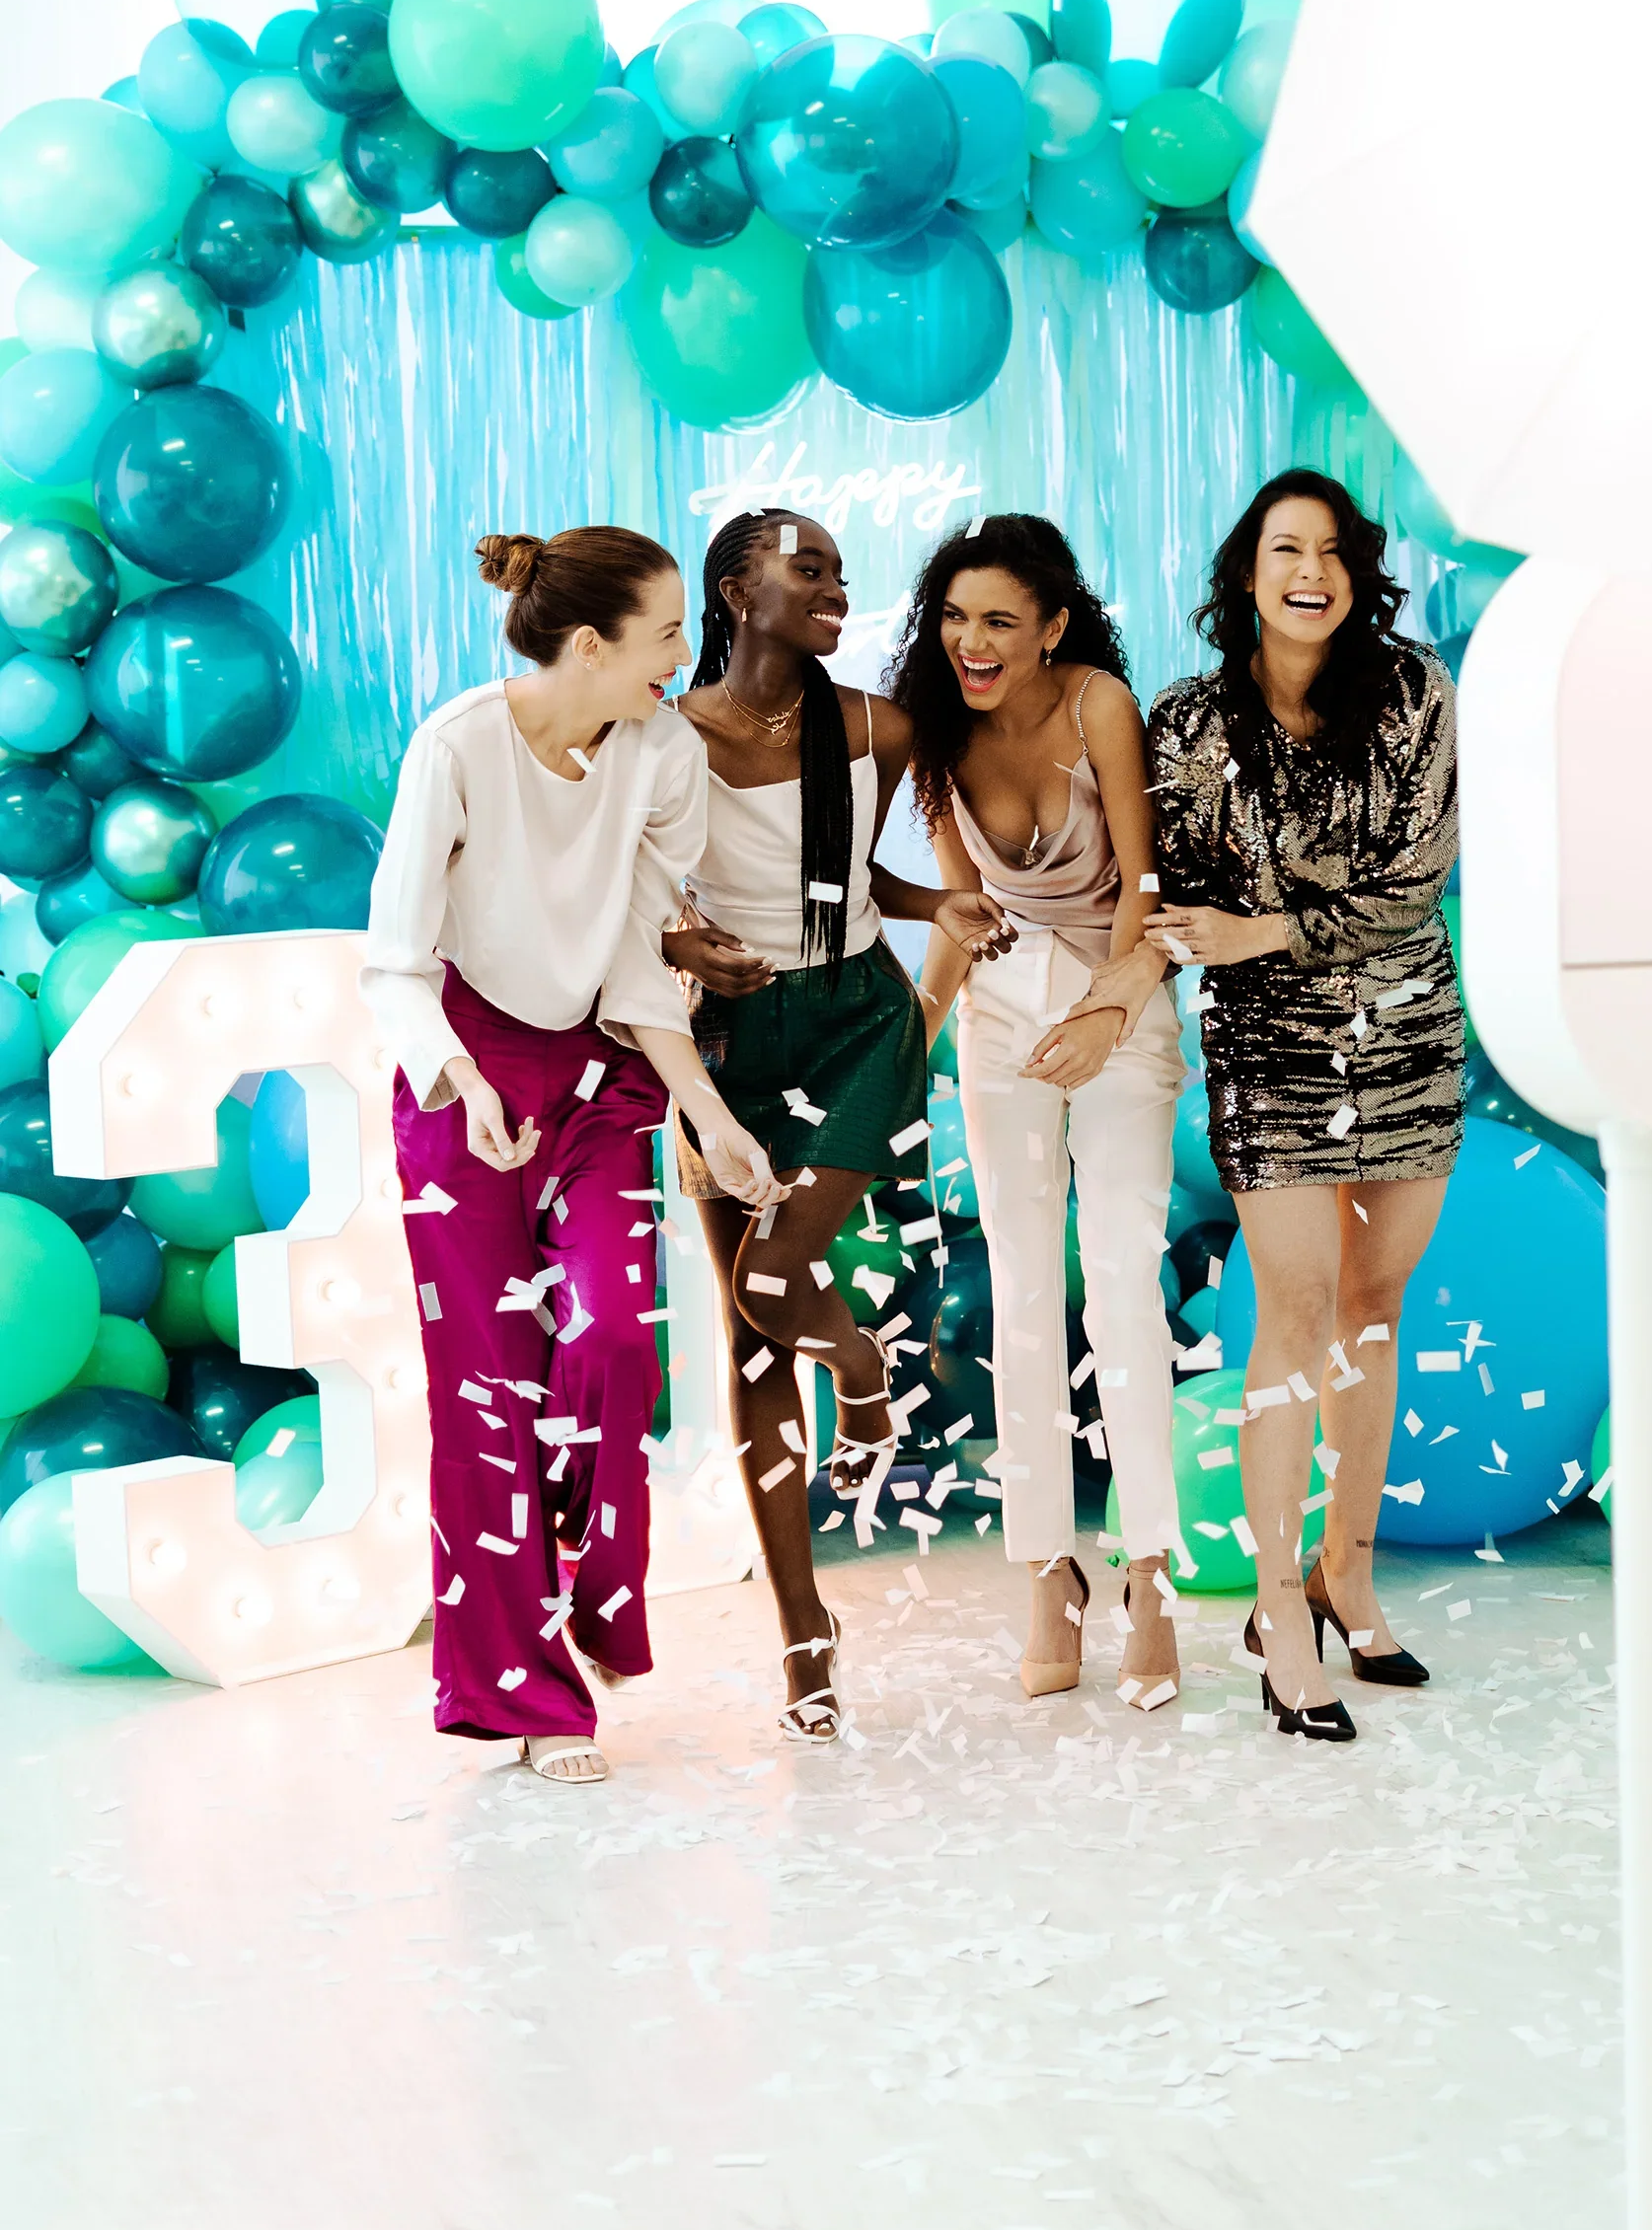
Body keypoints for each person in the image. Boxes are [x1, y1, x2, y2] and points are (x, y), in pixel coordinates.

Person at [363, 527, 782, 1788]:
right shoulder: (457, 747)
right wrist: (456, 1081)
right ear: (590, 645)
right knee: (487, 1395)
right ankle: (527, 1698)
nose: (681, 658)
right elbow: (394, 955)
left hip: (602, 1070)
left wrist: (704, 1109)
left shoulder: (660, 753)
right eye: (664, 635)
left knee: (608, 1339)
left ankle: (590, 1601)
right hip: (461, 1071)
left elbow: (636, 953)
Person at [664, 511, 1012, 1741]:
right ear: (733, 590)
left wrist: (944, 901)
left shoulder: (875, 724)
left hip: (860, 1022)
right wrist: (677, 942)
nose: (831, 587)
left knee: (775, 1278)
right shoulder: (665, 739)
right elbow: (640, 900)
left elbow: (855, 881)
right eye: (806, 568)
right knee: (753, 1341)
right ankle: (802, 1631)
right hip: (727, 1043)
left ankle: (860, 1365)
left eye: (838, 575)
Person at [1145, 471, 1462, 1741]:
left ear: (1356, 569)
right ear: (1245, 570)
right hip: (1269, 1052)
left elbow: (1415, 880)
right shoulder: (1182, 725)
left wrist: (1257, 925)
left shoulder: (1413, 693)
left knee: (1376, 1304)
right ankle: (1278, 1607)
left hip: (1407, 1036)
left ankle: (1349, 1570)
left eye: (1331, 550)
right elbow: (1169, 904)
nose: (1309, 571)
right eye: (1285, 548)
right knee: (1295, 1306)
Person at [891, 515, 1186, 1710]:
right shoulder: (932, 728)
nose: (971, 641)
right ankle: (1044, 1575)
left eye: (998, 621)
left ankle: (1150, 1580)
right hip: (1002, 1017)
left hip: (1116, 1004)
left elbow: (1145, 883)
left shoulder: (1097, 705)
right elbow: (963, 910)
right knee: (1021, 1290)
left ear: (1053, 626)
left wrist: (1112, 1012)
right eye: (955, 618)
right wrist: (908, 1040)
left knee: (1118, 1284)